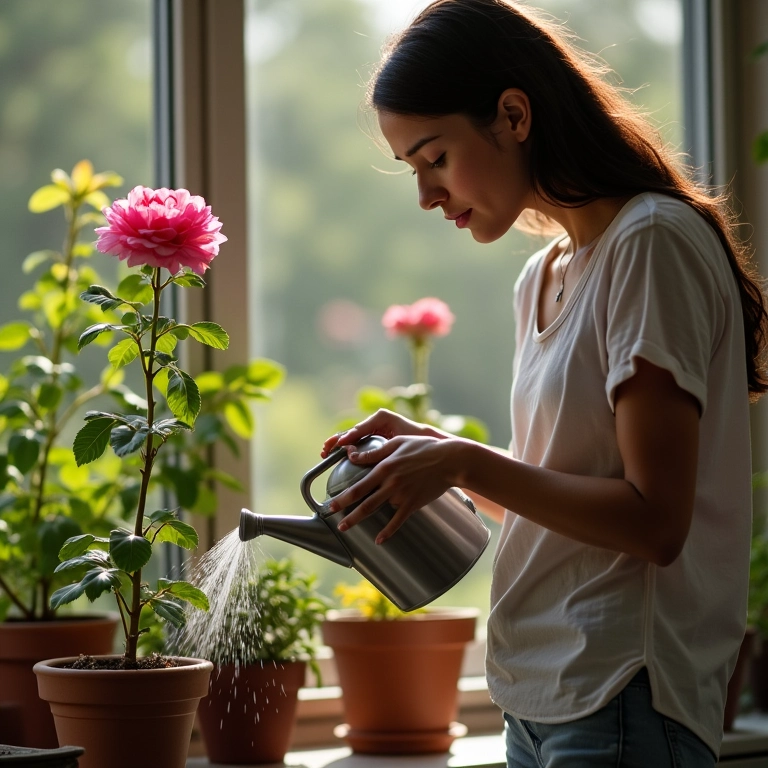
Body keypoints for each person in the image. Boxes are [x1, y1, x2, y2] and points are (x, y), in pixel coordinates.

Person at [320, 0, 768, 765]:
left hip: (624, 694)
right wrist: (438, 452)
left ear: (513, 115)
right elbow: (565, 496)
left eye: (434, 157)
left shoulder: (650, 243)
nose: (426, 195)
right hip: (540, 700)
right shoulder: (545, 276)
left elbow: (654, 523)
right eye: (412, 169)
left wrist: (462, 463)